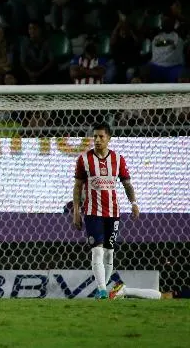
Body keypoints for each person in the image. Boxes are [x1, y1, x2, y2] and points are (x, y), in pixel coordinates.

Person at [72, 123, 139, 299]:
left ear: (109, 138)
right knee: (97, 251)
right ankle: (102, 290)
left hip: (113, 212)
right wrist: (76, 211)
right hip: (92, 212)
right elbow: (78, 186)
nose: (97, 140)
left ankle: (103, 290)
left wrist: (134, 203)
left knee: (109, 252)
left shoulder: (118, 159)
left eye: (101, 136)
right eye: (95, 136)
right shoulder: (84, 159)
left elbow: (127, 184)